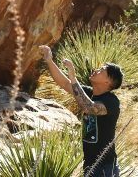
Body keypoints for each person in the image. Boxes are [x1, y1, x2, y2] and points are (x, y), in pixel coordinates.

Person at [39, 45, 123, 177]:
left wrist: (73, 77)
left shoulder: (111, 101)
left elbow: (90, 108)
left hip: (106, 168)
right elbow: (65, 84)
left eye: (102, 70)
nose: (97, 70)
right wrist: (49, 60)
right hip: (89, 165)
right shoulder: (89, 93)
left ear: (109, 81)